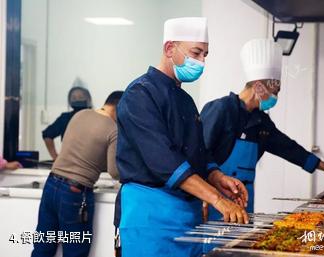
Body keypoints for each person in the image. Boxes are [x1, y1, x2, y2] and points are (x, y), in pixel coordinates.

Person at [114, 17, 249, 257]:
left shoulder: (185, 100)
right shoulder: (140, 94)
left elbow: (199, 152)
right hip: (151, 218)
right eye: (196, 53)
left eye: (205, 55)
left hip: (187, 217)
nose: (201, 62)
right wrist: (217, 200)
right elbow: (164, 162)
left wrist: (217, 177)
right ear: (169, 49)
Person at [200, 38, 324, 218]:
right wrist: (204, 197)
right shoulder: (221, 109)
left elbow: (288, 148)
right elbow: (199, 154)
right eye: (275, 91)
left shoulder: (261, 121)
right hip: (214, 199)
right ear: (259, 86)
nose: (275, 97)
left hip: (244, 199)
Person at [32, 91, 123, 257]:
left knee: (42, 247)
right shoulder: (112, 129)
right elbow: (114, 171)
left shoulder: (80, 115)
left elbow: (77, 150)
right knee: (75, 252)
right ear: (120, 109)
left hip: (51, 184)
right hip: (75, 192)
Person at [42, 86, 93, 160]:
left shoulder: (95, 117)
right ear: (69, 101)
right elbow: (47, 134)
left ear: (88, 99)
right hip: (69, 162)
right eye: (74, 98)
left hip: (92, 163)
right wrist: (55, 157)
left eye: (81, 97)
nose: (77, 100)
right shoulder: (65, 118)